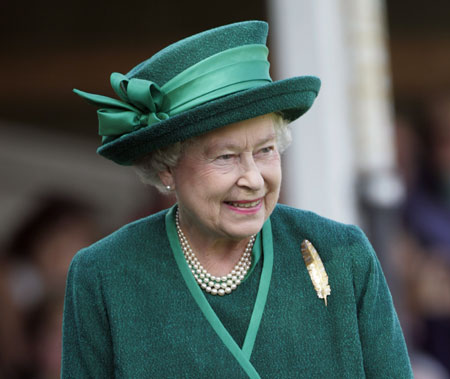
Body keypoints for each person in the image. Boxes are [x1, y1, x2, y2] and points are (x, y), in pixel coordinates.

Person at [61, 21, 413, 378]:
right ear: (167, 168)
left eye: (265, 151)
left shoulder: (342, 255)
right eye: (225, 157)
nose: (254, 179)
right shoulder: (105, 276)